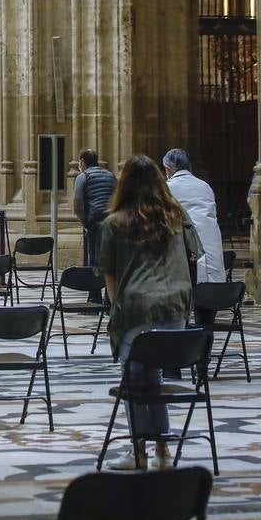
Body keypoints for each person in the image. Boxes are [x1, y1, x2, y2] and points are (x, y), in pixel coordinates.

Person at [98, 154, 200, 471]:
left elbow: (110, 277)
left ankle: (139, 449)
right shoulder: (177, 218)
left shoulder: (114, 224)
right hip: (177, 313)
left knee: (135, 379)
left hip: (137, 312)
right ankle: (162, 450)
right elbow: (194, 256)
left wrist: (117, 315)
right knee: (152, 377)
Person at [162, 148, 225, 285]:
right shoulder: (205, 186)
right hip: (212, 260)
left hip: (184, 260)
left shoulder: (166, 189)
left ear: (167, 168)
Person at [73, 149, 117, 300]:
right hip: (113, 222)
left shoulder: (82, 176)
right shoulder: (111, 175)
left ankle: (95, 298)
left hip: (95, 222)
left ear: (83, 161)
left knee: (94, 261)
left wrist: (84, 222)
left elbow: (78, 203)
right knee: (112, 260)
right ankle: (109, 301)